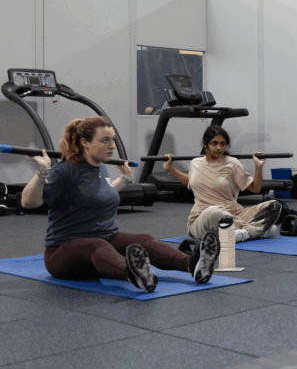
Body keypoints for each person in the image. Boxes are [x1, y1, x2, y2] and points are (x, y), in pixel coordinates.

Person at [19, 117, 219, 293]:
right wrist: (42, 171)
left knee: (144, 239)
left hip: (105, 238)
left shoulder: (100, 168)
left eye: (112, 139)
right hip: (62, 254)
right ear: (85, 143)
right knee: (97, 246)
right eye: (104, 140)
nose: (112, 146)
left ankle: (193, 264)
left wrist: (123, 180)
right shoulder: (64, 171)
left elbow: (98, 195)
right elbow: (28, 202)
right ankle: (133, 273)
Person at [162, 126, 282, 242]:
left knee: (274, 205)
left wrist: (258, 167)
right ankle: (256, 230)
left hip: (235, 213)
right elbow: (191, 181)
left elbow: (255, 189)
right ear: (205, 144)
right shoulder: (195, 163)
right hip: (204, 217)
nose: (219, 147)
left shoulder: (233, 163)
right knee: (214, 212)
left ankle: (243, 232)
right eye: (214, 143)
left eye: (222, 144)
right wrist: (170, 169)